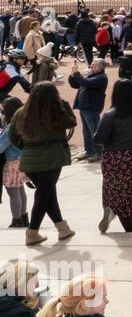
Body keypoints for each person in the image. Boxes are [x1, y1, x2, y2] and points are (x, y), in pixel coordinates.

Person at [11, 81, 76, 246]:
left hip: (29, 159)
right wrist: (65, 105)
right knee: (43, 196)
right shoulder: (55, 112)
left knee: (47, 194)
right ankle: (32, 232)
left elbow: (13, 136)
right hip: (53, 157)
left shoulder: (21, 112)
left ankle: (63, 228)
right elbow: (71, 122)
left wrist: (26, 147)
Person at [93, 79, 132, 234]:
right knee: (131, 190)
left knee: (112, 188)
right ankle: (127, 221)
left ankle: (112, 209)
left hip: (115, 157)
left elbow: (99, 138)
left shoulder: (110, 115)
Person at [68, 57, 108, 162]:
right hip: (84, 106)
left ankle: (100, 152)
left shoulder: (101, 77)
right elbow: (76, 84)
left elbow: (86, 83)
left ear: (100, 67)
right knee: (86, 131)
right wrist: (73, 75)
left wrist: (77, 73)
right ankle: (89, 150)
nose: (90, 66)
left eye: (93, 64)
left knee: (94, 130)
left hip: (92, 107)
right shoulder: (91, 75)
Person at [0, 98, 28, 230]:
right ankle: (23, 217)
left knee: (12, 191)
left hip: (12, 161)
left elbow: (1, 146)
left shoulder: (11, 126)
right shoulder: (22, 122)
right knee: (20, 189)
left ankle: (16, 220)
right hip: (22, 159)